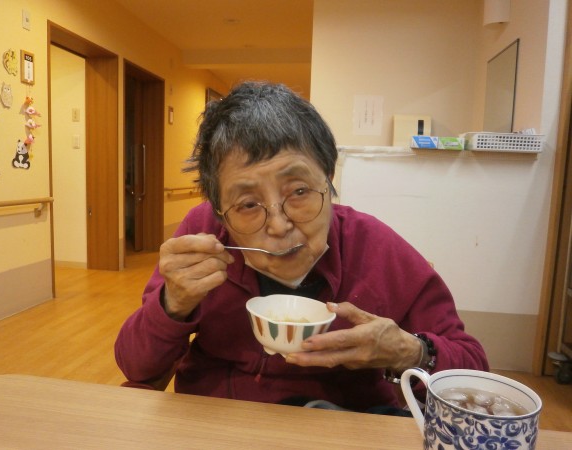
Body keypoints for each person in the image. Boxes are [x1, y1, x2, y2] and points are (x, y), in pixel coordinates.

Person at [115, 81, 488, 412]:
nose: (279, 225)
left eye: (298, 191)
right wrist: (173, 304)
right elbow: (135, 367)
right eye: (248, 204)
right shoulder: (204, 239)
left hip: (342, 429)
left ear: (328, 178)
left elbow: (474, 373)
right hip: (219, 422)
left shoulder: (375, 248)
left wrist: (408, 351)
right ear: (219, 213)